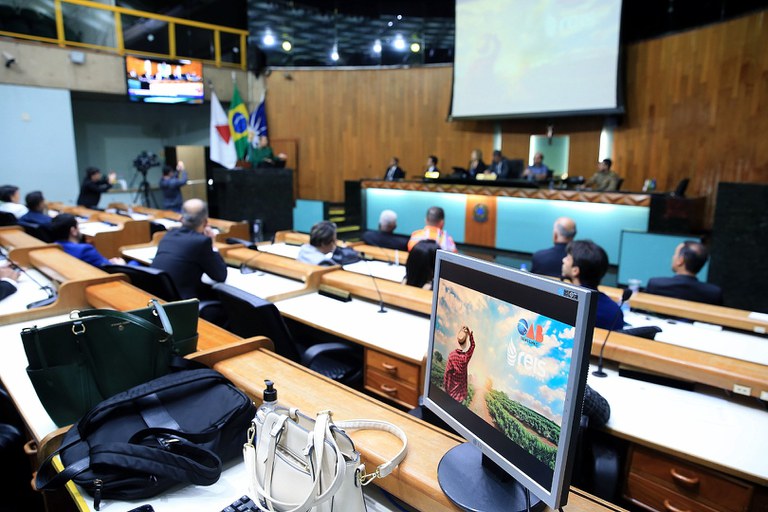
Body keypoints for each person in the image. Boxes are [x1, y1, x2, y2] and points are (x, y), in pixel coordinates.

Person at [151, 198, 228, 299]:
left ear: (181, 218)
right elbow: (220, 276)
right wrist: (213, 244)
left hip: (159, 298)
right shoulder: (202, 242)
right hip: (182, 303)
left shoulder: (169, 235)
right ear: (205, 222)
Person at [561, 240, 623, 330]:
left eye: (567, 258)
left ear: (575, 271)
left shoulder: (565, 306)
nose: (563, 260)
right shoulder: (615, 310)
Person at [645, 241, 723, 305]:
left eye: (675, 254)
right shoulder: (714, 293)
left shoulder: (655, 284)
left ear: (681, 260)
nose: (673, 257)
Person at [49, 213, 130, 268]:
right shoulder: (85, 250)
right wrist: (121, 264)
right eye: (78, 226)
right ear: (73, 231)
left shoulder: (54, 247)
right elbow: (110, 268)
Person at [443, 326, 475, 403]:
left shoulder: (451, 356)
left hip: (450, 394)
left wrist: (446, 390)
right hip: (460, 396)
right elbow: (473, 346)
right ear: (466, 342)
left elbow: (447, 375)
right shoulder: (466, 357)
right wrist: (470, 335)